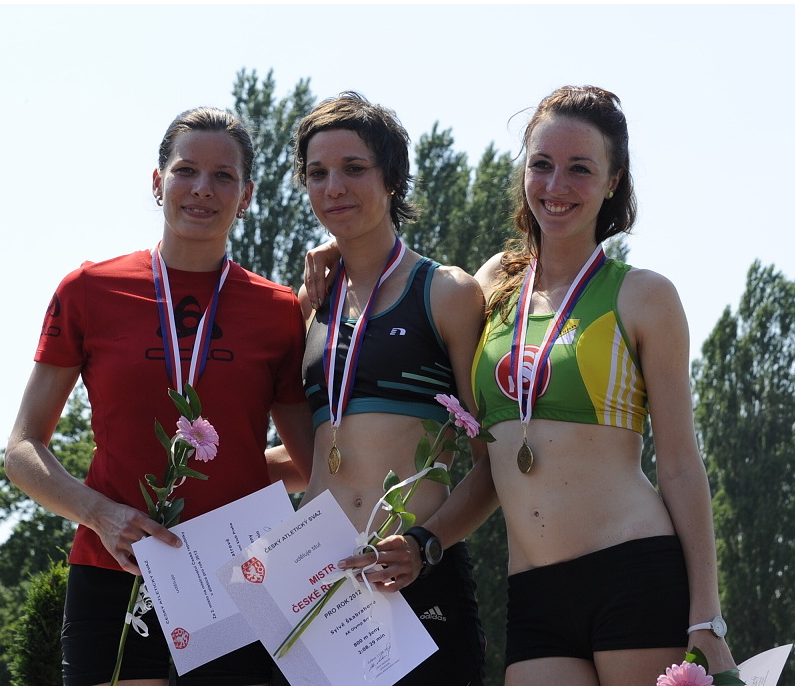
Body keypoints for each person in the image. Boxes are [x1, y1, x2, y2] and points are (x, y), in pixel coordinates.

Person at [311, 85, 738, 685]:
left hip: (633, 569)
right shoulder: (492, 285)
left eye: (580, 168)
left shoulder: (645, 295)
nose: (556, 185)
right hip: (534, 592)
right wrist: (339, 251)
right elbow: (395, 301)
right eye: (542, 164)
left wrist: (706, 619)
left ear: (613, 181)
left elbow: (681, 468)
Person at [4, 107, 314, 686]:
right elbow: (22, 450)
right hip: (116, 566)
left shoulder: (277, 313)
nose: (202, 188)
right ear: (157, 182)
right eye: (186, 170)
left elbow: (312, 463)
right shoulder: (89, 290)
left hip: (243, 574)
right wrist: (99, 513)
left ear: (247, 196)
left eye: (223, 176)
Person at [291, 92, 488, 685]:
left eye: (354, 168)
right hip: (322, 585)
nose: (334, 187)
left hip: (417, 577)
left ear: (394, 178)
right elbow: (314, 453)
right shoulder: (310, 304)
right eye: (318, 173)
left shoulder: (446, 292)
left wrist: (426, 544)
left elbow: (492, 464)